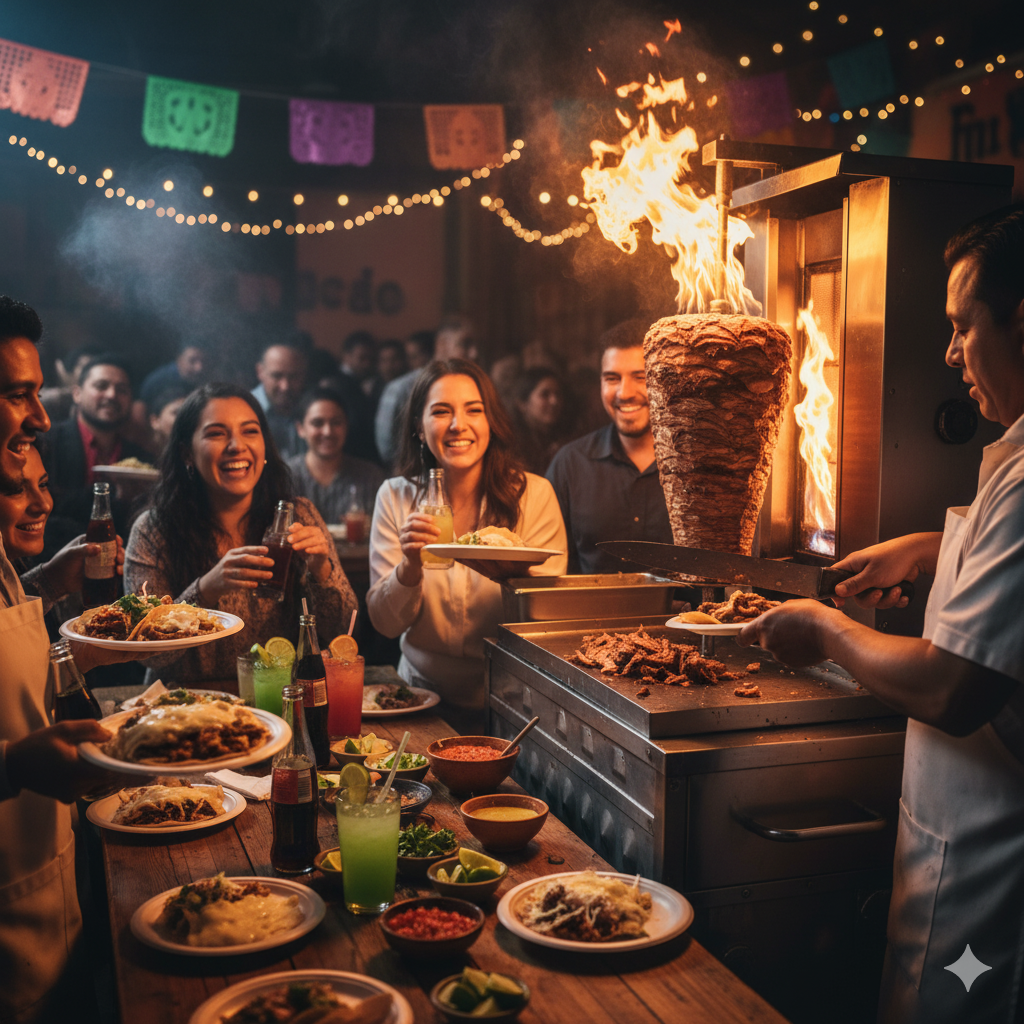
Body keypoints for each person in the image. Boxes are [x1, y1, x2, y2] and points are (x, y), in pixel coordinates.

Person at [739, 204, 1024, 1024]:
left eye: (962, 327)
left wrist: (825, 629)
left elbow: (951, 689)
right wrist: (933, 548)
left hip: (994, 869)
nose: (949, 353)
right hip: (958, 835)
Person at [0, 296, 126, 1023]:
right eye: (18, 394)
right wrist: (14, 765)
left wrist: (47, 582)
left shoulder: (6, 561)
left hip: (50, 895)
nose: (42, 419)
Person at [367, 359, 566, 733]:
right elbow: (386, 624)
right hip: (419, 696)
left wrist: (512, 572)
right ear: (419, 428)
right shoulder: (395, 496)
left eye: (474, 410)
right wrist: (409, 566)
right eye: (441, 411)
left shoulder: (535, 495)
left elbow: (550, 621)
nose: (458, 424)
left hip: (513, 698)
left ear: (491, 421)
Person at [125, 384, 357, 685]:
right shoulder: (154, 530)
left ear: (265, 448)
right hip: (181, 704)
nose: (237, 445)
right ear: (187, 453)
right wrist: (205, 590)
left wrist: (322, 569)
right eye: (216, 433)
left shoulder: (297, 516)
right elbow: (147, 652)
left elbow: (343, 631)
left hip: (277, 700)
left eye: (250, 431)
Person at [546, 319, 673, 574]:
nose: (624, 393)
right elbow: (549, 567)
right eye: (612, 378)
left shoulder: (695, 463)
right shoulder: (570, 464)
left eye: (640, 377)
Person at [41, 353, 150, 553]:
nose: (111, 395)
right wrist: (114, 495)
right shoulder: (48, 443)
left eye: (122, 390)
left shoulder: (142, 461)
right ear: (77, 394)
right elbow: (47, 507)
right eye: (101, 386)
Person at [375, 319, 473, 470]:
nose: (474, 353)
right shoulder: (401, 388)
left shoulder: (473, 386)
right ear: (442, 344)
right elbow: (386, 445)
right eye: (464, 344)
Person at [286, 387, 385, 523]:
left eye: (336, 423)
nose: (327, 432)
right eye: (317, 423)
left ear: (346, 426)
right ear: (300, 428)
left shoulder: (371, 477)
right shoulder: (285, 477)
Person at [252, 339, 308, 459]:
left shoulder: (311, 408)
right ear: (260, 371)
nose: (285, 386)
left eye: (293, 377)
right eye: (276, 376)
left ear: (303, 374)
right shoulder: (241, 410)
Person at [511, 367, 570, 475]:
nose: (554, 401)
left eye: (558, 394)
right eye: (544, 395)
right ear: (522, 403)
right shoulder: (512, 445)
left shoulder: (565, 439)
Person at [146, 382, 191, 456]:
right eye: (176, 412)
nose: (184, 418)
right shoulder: (142, 457)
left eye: (188, 413)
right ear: (155, 421)